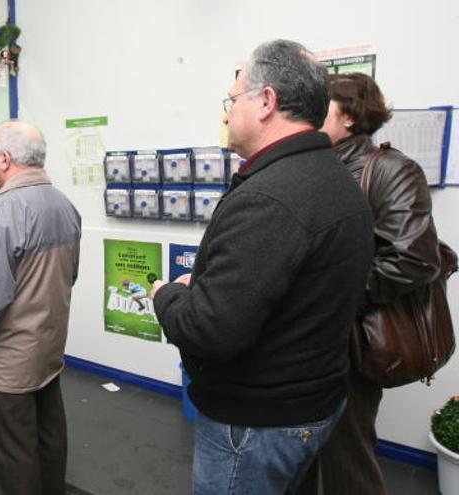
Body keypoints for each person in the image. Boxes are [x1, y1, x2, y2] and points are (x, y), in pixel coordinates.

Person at [150, 40, 374, 495]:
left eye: (232, 101)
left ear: (267, 101)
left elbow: (209, 331)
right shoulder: (335, 178)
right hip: (310, 407)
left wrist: (167, 295)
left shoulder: (269, 197)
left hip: (255, 425)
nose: (228, 113)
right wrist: (213, 289)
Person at [297, 73, 444, 495]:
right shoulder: (311, 169)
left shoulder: (391, 170)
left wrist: (332, 297)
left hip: (352, 342)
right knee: (299, 454)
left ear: (349, 115)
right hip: (307, 339)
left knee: (347, 457)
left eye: (320, 105)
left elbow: (413, 259)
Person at [0, 120, 82, 495]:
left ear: (5, 159)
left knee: (13, 457)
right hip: (48, 349)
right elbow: (69, 276)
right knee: (49, 439)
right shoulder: (65, 206)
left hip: (4, 366)